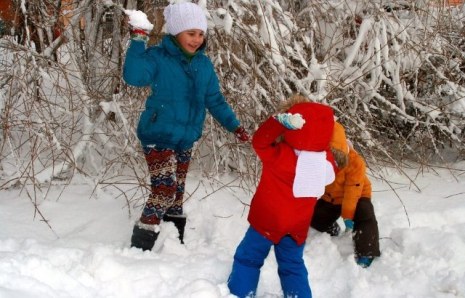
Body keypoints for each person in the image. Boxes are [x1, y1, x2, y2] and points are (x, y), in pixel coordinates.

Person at [122, 2, 249, 251]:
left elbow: (215, 100)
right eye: (191, 33)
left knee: (177, 192)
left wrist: (234, 126)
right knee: (165, 189)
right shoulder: (158, 57)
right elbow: (134, 76)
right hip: (158, 135)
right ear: (176, 32)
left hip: (186, 138)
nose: (197, 39)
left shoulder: (203, 65)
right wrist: (138, 39)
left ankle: (173, 241)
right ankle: (141, 243)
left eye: (201, 34)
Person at [228, 95, 338, 298]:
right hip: (297, 226)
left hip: (267, 222)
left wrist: (278, 122)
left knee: (248, 258)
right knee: (292, 265)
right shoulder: (324, 163)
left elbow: (259, 141)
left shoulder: (279, 156)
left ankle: (241, 293)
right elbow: (322, 146)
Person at [310, 122, 381, 268]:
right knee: (315, 218)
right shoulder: (318, 159)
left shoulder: (355, 162)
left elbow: (352, 192)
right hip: (331, 197)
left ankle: (367, 251)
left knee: (364, 214)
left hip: (358, 195)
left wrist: (348, 215)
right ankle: (332, 230)